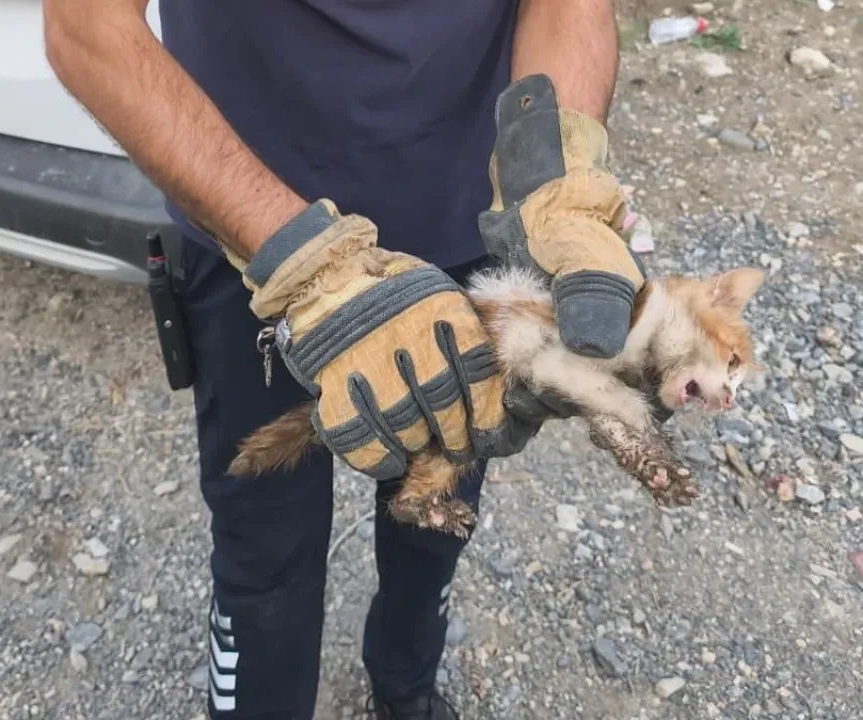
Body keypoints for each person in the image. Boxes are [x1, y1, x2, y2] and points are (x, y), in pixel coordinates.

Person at [43, 1, 650, 718]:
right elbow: (86, 27)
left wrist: (562, 187)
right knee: (266, 546)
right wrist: (309, 264)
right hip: (253, 239)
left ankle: (405, 689)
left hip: (462, 228)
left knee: (438, 506)